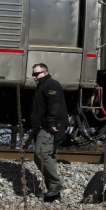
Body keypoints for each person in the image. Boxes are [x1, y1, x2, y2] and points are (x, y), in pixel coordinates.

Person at [30, 63, 69, 198]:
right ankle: (53, 191)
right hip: (46, 126)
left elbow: (55, 104)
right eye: (33, 74)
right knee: (48, 156)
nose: (34, 77)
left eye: (37, 74)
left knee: (41, 154)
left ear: (45, 72)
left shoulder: (50, 84)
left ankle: (56, 183)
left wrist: (52, 121)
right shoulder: (42, 86)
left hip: (51, 126)